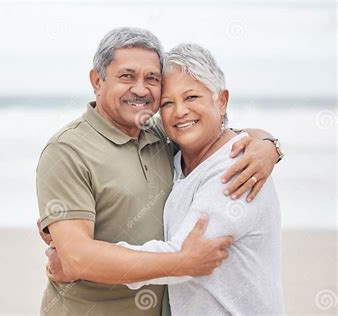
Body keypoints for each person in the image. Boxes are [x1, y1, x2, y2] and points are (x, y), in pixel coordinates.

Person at [36, 27, 282, 316]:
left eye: (151, 79)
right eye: (127, 76)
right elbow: (77, 257)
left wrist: (268, 144)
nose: (140, 89)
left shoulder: (179, 144)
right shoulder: (68, 151)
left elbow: (212, 134)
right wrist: (180, 262)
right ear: (97, 80)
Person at [116, 43, 284, 315]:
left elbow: (181, 258)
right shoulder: (177, 159)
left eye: (191, 97)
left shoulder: (238, 166)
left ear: (221, 100)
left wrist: (84, 259)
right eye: (168, 103)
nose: (179, 111)